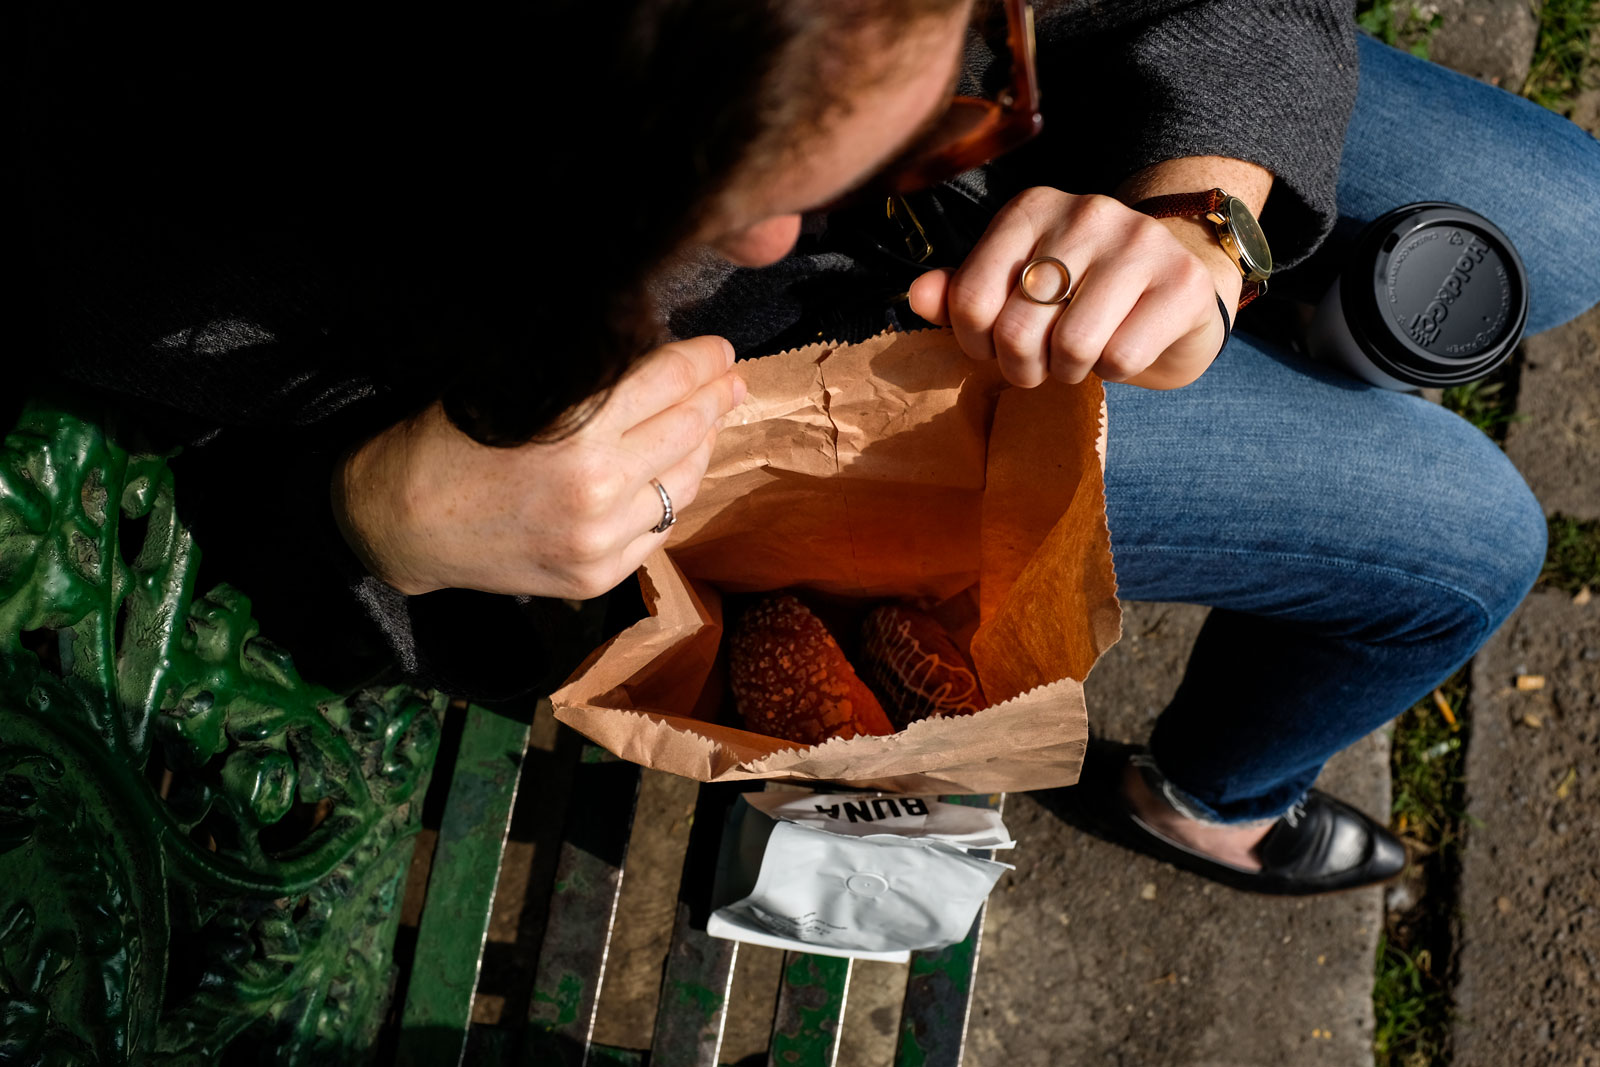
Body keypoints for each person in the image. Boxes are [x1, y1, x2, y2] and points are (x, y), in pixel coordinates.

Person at [19, 1, 1600, 897]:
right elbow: (178, 483)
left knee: (1573, 223)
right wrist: (388, 521)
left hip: (1113, 54)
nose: (783, 225)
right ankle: (1203, 792)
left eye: (961, 94)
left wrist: (1207, 199)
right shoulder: (162, 220)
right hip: (745, 404)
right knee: (1466, 538)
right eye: (707, 225)